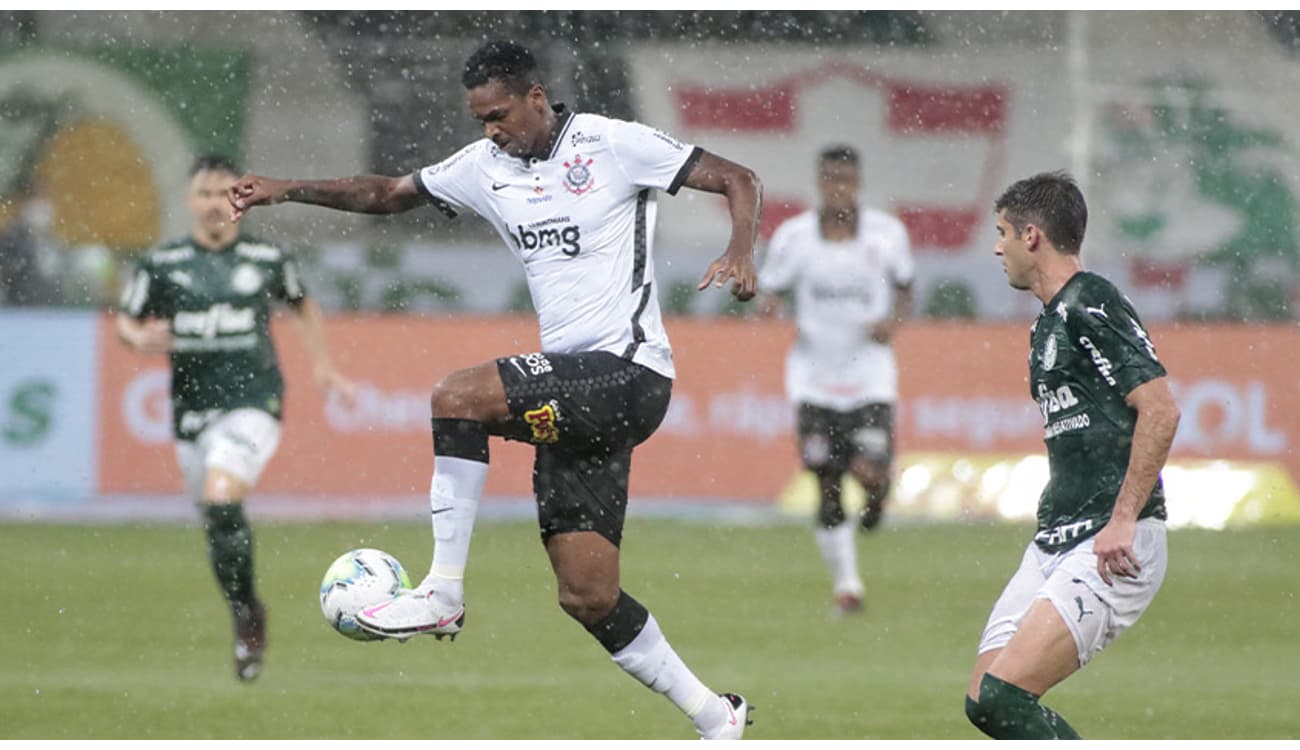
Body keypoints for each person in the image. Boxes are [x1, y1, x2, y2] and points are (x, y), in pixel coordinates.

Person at [227, 40, 760, 739]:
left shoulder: (612, 143)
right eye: (480, 118)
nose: (491, 130)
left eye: (500, 114)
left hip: (629, 372)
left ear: (537, 97)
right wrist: (287, 189)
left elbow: (738, 177)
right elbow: (388, 193)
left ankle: (443, 589)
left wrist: (742, 249)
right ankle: (716, 716)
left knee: (456, 396)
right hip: (580, 396)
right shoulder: (486, 167)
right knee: (587, 594)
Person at [117, 154, 355, 682]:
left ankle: (248, 623)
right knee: (217, 521)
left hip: (254, 400)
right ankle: (246, 610)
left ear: (240, 199)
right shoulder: (163, 263)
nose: (212, 204)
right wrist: (138, 338)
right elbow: (126, 323)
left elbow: (302, 305)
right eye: (203, 193)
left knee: (224, 497)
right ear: (189, 201)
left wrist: (324, 366)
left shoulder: (267, 257)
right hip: (191, 409)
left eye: (225, 193)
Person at [964, 171, 1180, 739]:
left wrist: (1124, 518)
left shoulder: (1091, 302)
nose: (996, 247)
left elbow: (1160, 410)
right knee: (983, 698)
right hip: (1057, 536)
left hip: (1111, 542)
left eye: (1003, 232)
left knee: (1003, 698)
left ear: (1032, 236)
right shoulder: (1048, 323)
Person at [755, 145, 913, 615]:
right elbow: (772, 290)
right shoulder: (794, 237)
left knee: (870, 470)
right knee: (825, 479)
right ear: (820, 182)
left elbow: (906, 288)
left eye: (845, 179)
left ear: (858, 183)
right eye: (830, 179)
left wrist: (893, 322)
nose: (837, 188)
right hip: (812, 378)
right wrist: (766, 303)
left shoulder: (887, 234)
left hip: (868, 376)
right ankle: (848, 588)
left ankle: (879, 497)